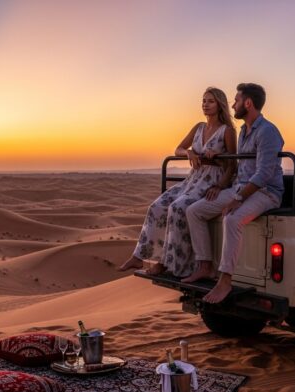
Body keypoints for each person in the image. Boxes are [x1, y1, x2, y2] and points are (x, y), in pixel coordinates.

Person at [182, 83, 284, 303]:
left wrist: (238, 198)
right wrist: (222, 168)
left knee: (232, 218)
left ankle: (225, 281)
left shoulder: (268, 131)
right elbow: (237, 164)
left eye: (236, 101)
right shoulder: (244, 131)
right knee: (194, 211)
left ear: (248, 103)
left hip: (266, 192)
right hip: (241, 187)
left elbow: (263, 175)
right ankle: (205, 265)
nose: (233, 105)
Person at [119, 87, 237, 277]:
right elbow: (178, 149)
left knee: (177, 208)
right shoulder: (199, 127)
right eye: (203, 101)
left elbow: (232, 165)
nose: (205, 105)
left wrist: (219, 183)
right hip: (193, 179)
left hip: (211, 180)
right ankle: (140, 256)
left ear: (220, 105)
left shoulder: (227, 131)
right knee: (157, 207)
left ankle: (168, 264)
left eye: (210, 101)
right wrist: (188, 152)